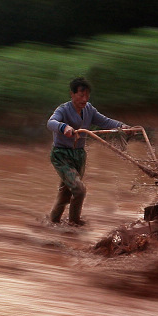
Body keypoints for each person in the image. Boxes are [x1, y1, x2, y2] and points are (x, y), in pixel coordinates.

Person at [45, 77, 128, 226]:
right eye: (81, 95)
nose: (85, 99)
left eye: (87, 95)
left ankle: (53, 221)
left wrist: (122, 126)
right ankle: (74, 222)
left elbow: (105, 121)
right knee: (79, 189)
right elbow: (51, 122)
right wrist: (64, 128)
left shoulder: (89, 109)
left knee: (66, 192)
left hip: (79, 155)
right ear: (72, 94)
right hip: (62, 155)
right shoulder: (63, 109)